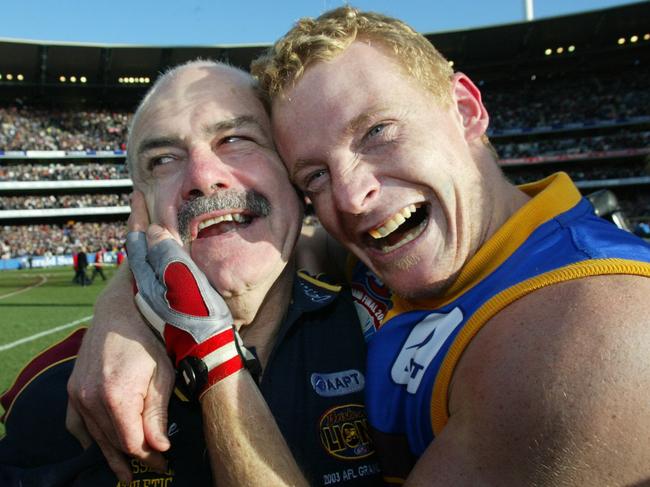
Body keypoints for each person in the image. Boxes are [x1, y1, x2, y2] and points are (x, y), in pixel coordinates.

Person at [68, 7, 650, 486]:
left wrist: (212, 358)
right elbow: (281, 252)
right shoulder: (417, 252)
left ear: (468, 110)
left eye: (377, 132)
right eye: (314, 175)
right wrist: (126, 305)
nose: (351, 196)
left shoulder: (591, 335)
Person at [0, 61, 380, 487]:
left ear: (293, 173)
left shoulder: (389, 331)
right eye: (163, 159)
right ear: (138, 210)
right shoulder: (64, 391)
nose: (203, 177)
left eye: (236, 139)